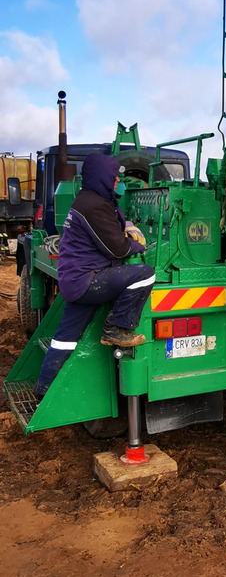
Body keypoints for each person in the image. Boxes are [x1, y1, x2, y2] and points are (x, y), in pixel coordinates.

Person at [36, 153, 155, 397]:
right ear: (102, 177)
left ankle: (43, 393)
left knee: (64, 340)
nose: (116, 183)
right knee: (145, 274)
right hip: (87, 280)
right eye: (114, 178)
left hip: (75, 281)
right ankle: (116, 328)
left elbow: (114, 220)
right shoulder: (94, 206)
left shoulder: (88, 200)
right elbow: (118, 249)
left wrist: (128, 224)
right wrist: (139, 244)